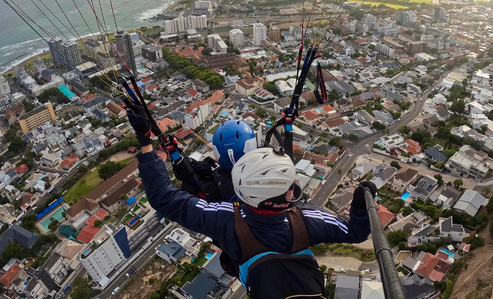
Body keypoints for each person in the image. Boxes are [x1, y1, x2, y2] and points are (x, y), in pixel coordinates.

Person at [127, 99, 375, 299]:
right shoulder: (308, 221)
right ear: (288, 196)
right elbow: (356, 233)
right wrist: (361, 206)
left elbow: (165, 198)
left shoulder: (225, 218)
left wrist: (145, 142)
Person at [170, 119, 257, 202]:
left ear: (217, 152)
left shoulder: (211, 189)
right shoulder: (262, 176)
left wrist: (174, 151)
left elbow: (188, 178)